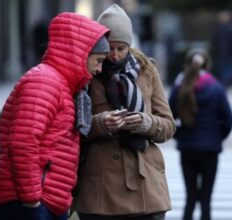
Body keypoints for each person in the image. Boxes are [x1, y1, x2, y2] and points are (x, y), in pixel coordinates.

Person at [0, 12, 110, 220]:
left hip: (47, 203)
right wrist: (32, 201)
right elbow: (23, 143)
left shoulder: (63, 86)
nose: (99, 69)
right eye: (98, 60)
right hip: (28, 205)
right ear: (81, 53)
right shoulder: (44, 82)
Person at [72, 4, 176, 220]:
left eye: (121, 48)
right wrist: (101, 124)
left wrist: (146, 123)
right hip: (101, 188)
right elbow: (70, 128)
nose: (115, 55)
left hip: (146, 183)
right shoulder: (87, 73)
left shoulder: (147, 72)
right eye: (109, 48)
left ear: (130, 45)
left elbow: (168, 125)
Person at [168, 48, 232, 220]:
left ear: (187, 65)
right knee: (206, 198)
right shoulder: (217, 88)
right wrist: (217, 137)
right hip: (210, 149)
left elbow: (168, 117)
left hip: (187, 147)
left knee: (190, 197)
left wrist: (179, 135)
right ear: (208, 64)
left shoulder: (179, 88)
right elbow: (228, 120)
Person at [211, 10, 232, 87]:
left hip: (228, 52)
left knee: (228, 67)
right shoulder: (218, 28)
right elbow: (214, 40)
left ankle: (229, 81)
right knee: (224, 67)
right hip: (221, 52)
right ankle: (226, 81)